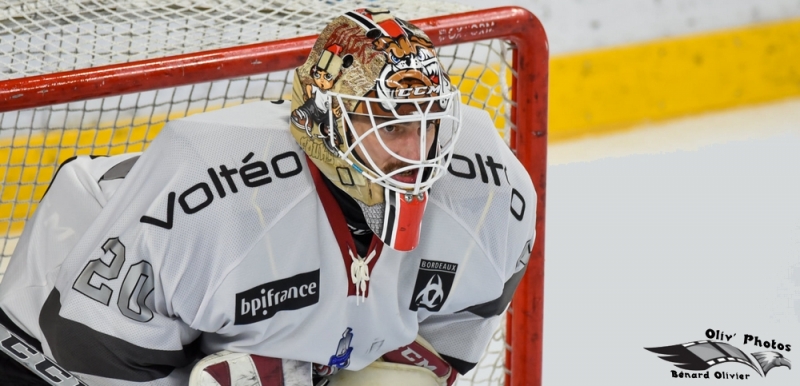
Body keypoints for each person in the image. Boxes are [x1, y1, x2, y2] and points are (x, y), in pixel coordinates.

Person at [0, 8, 536, 386]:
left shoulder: (491, 192)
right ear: (324, 120)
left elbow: (449, 339)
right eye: (391, 127)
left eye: (429, 124)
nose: (419, 151)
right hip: (56, 339)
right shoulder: (207, 197)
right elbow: (93, 349)